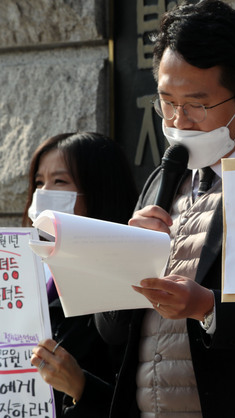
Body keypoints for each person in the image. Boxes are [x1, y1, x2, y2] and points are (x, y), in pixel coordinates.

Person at [94, 1, 235, 417]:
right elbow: (112, 331)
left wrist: (208, 307)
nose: (179, 121)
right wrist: (125, 258)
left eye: (197, 105)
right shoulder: (159, 182)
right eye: (166, 102)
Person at [26, 132, 138, 417]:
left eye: (60, 182)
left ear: (99, 191)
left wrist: (81, 387)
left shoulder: (128, 286)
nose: (42, 194)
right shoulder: (26, 274)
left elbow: (146, 399)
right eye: (39, 182)